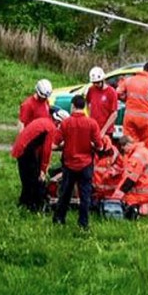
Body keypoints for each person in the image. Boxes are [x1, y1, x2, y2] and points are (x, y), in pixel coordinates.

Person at [53, 96, 105, 229]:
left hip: (69, 164)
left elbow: (55, 144)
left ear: (73, 106)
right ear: (84, 107)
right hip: (86, 164)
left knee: (65, 193)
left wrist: (66, 144)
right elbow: (100, 146)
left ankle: (59, 219)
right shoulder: (92, 124)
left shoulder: (66, 123)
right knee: (85, 195)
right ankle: (83, 223)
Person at [11, 113, 57, 212]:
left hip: (22, 148)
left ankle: (24, 201)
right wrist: (43, 170)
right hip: (26, 150)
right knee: (33, 178)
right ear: (58, 122)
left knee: (26, 178)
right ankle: (33, 206)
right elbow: (46, 151)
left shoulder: (44, 121)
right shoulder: (51, 128)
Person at [109, 136, 148, 214]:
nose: (124, 152)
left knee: (126, 200)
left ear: (127, 145)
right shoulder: (144, 151)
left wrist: (115, 197)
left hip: (143, 192)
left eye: (123, 149)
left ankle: (144, 208)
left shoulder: (136, 157)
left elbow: (129, 180)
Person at [116, 61, 148, 150]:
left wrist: (126, 99)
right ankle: (143, 162)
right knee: (146, 144)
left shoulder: (129, 80)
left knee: (129, 143)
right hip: (145, 119)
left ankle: (130, 162)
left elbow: (118, 92)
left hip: (129, 117)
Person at [84, 67, 118, 134]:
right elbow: (87, 104)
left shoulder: (111, 92)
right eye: (94, 83)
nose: (96, 85)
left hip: (107, 131)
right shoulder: (91, 90)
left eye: (98, 82)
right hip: (94, 128)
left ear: (103, 80)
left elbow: (114, 114)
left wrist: (103, 130)